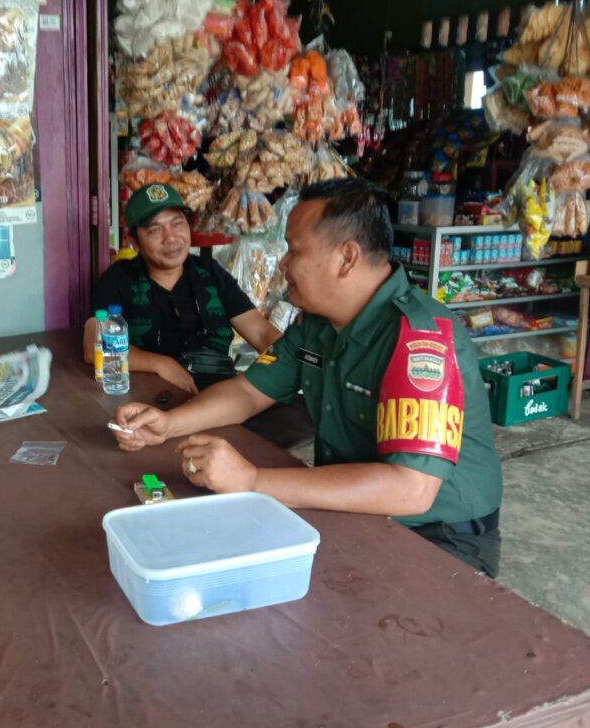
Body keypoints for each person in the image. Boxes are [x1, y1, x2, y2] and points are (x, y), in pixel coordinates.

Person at [110, 178, 503, 576]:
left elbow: (411, 489)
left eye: (294, 249)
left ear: (346, 258)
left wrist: (252, 480)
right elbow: (249, 392)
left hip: (439, 537)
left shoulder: (421, 338)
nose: (283, 264)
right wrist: (170, 424)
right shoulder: (317, 323)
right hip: (353, 508)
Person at [84, 183, 279, 393]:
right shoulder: (119, 278)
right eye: (155, 229)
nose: (171, 238)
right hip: (150, 397)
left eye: (177, 223)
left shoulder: (210, 273)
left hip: (219, 395)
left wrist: (298, 362)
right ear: (134, 241)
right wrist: (160, 364)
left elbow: (262, 334)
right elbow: (93, 345)